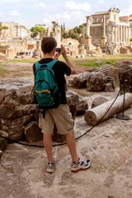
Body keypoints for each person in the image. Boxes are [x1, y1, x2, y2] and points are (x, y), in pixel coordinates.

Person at [33, 37, 91, 174]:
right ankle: (75, 162)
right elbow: (73, 70)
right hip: (59, 103)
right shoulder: (59, 65)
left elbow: (46, 68)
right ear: (54, 49)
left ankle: (50, 163)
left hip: (43, 103)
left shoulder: (35, 65)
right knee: (68, 130)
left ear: (42, 48)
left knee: (46, 133)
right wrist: (64, 55)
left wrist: (55, 57)